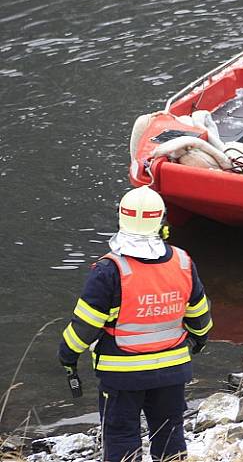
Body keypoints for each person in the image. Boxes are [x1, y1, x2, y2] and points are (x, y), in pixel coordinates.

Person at [58, 186, 213, 462]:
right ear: (161, 220)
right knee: (169, 435)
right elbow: (200, 319)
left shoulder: (109, 271)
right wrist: (196, 342)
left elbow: (84, 327)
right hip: (172, 372)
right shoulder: (182, 262)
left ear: (121, 218)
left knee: (120, 439)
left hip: (121, 377)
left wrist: (67, 356)